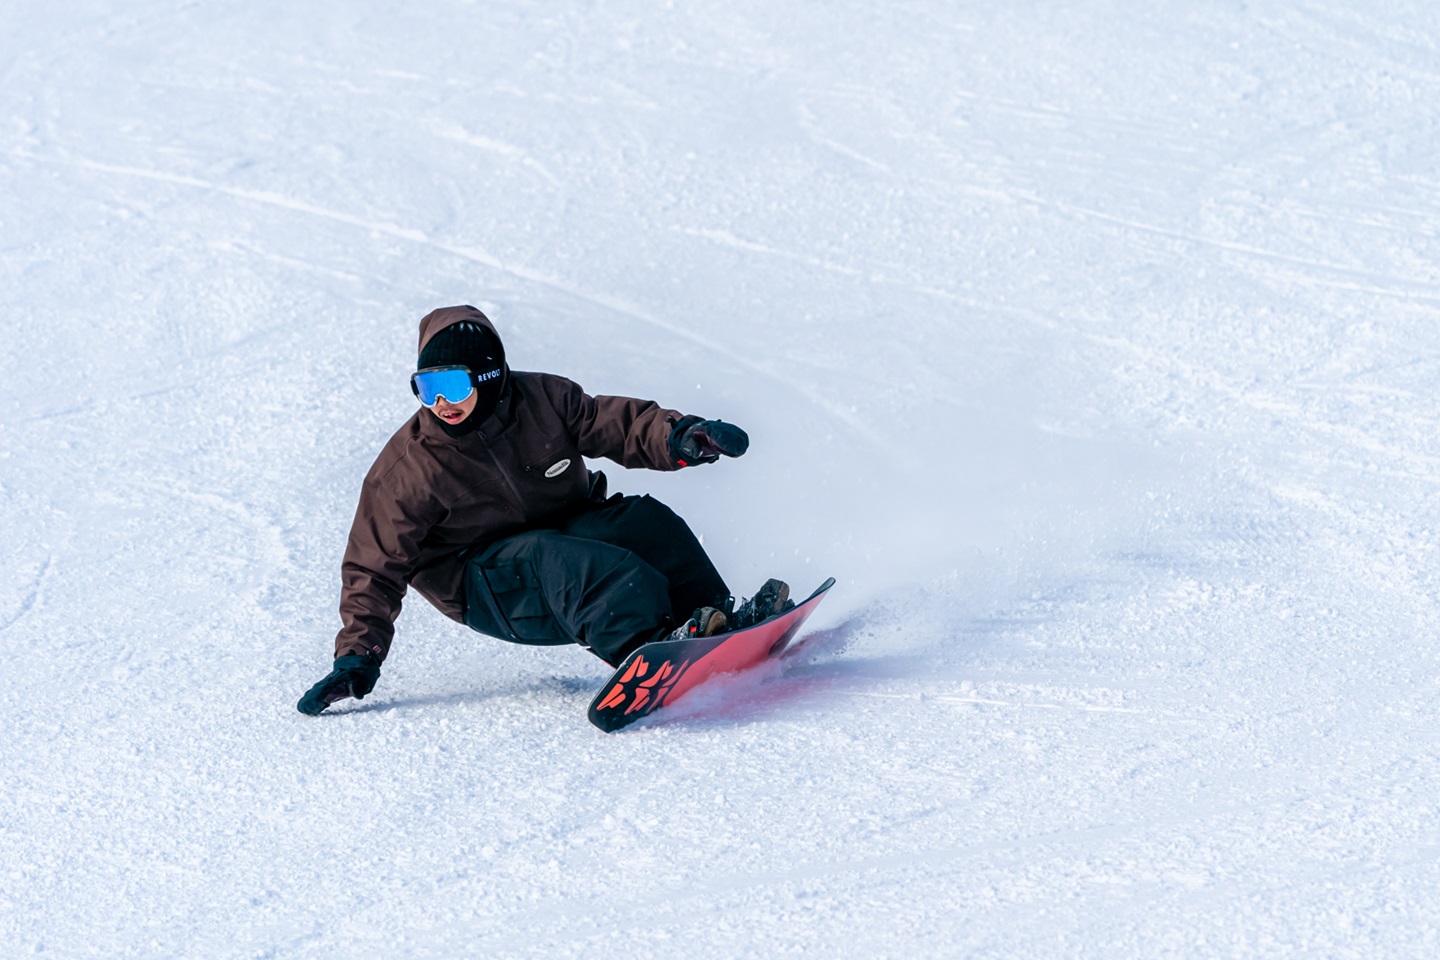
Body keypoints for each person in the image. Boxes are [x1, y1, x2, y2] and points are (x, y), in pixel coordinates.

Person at [297, 304, 790, 716]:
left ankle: (712, 620)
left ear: (489, 376)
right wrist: (358, 656)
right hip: (481, 581)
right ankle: (650, 648)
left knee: (642, 521)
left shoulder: (544, 400)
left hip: (562, 530)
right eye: (428, 389)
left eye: (454, 386)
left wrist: (681, 436)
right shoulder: (408, 469)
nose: (442, 403)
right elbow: (373, 566)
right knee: (563, 561)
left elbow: (614, 424)